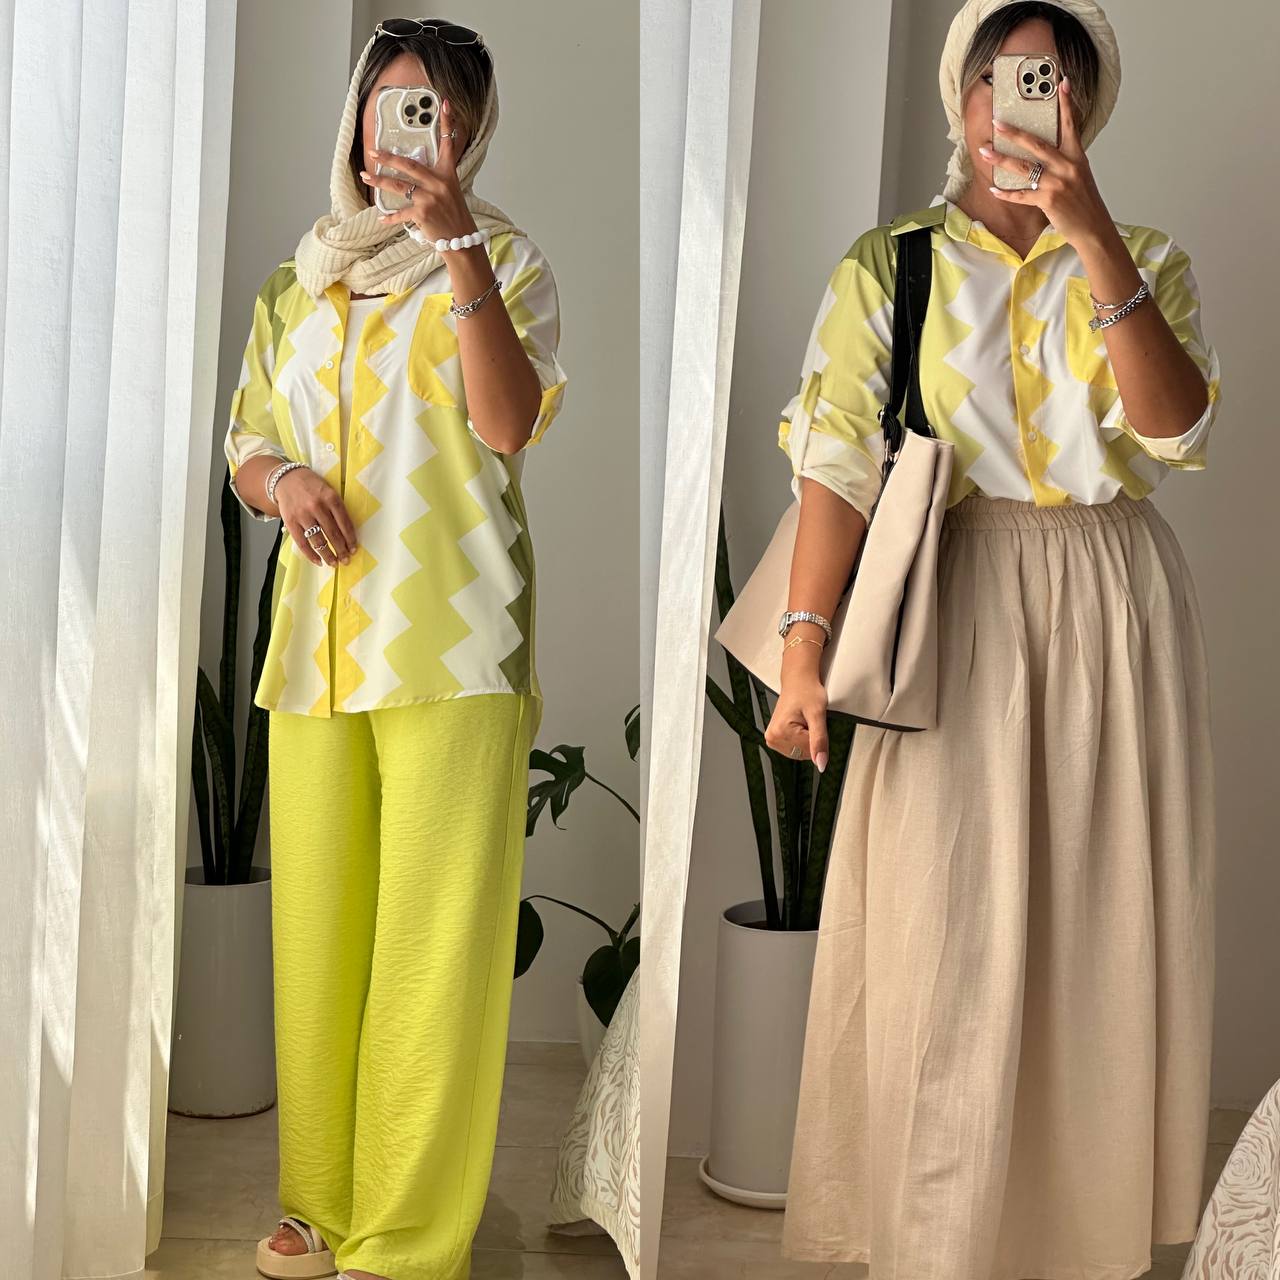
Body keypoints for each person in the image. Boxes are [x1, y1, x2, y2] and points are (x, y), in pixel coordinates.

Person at [767, 1, 1220, 1276]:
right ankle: (933, 1246)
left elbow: (1175, 429)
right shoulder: (888, 264)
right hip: (950, 597)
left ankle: (1072, 1248)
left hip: (1110, 606)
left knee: (1096, 942)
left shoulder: (1143, 255)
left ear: (1085, 106)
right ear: (958, 98)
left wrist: (1092, 237)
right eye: (999, 79)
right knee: (939, 940)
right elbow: (835, 462)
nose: (1018, 104)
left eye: (1049, 81)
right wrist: (801, 651)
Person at [222, 19, 567, 1280]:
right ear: (356, 118)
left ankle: (408, 1236)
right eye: (388, 102)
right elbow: (246, 439)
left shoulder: (506, 259)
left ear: (466, 129)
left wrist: (457, 240)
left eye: (432, 108)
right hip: (314, 648)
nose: (404, 128)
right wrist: (283, 480)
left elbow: (508, 421)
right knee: (318, 937)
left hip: (455, 642)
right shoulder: (296, 276)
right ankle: (317, 1205)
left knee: (430, 951)